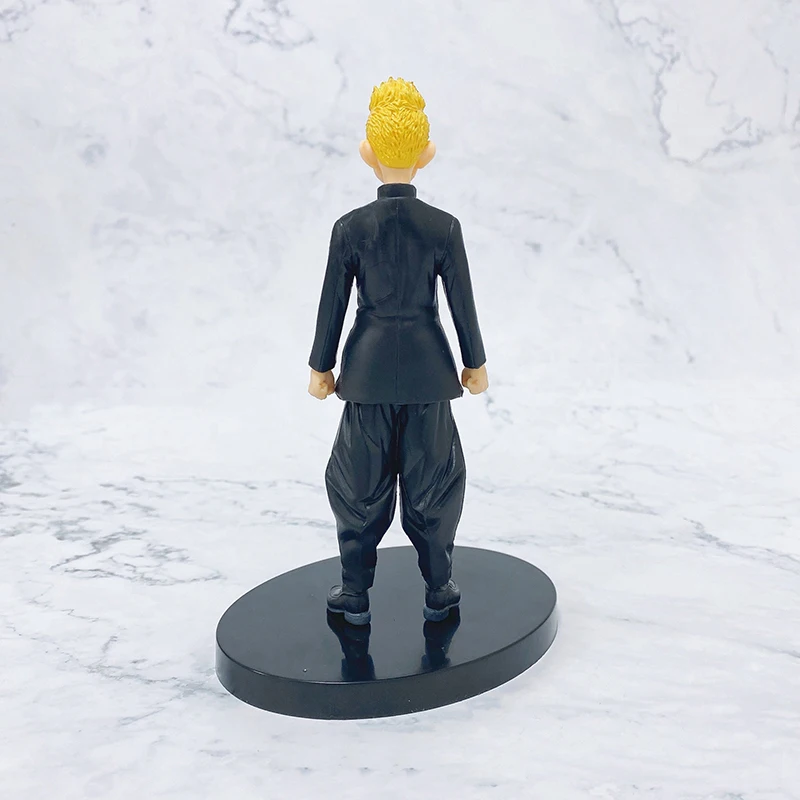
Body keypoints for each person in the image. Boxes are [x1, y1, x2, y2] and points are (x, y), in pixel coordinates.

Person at [308, 77, 488, 625]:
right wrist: (475, 363)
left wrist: (321, 367)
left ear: (367, 152)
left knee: (358, 485)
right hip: (430, 374)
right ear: (426, 153)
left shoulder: (349, 227)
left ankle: (355, 592)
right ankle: (439, 588)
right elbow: (461, 303)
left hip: (365, 375)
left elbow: (333, 304)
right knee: (434, 484)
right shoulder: (443, 227)